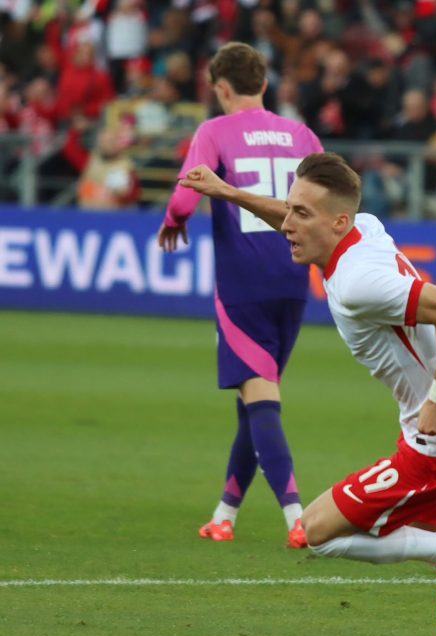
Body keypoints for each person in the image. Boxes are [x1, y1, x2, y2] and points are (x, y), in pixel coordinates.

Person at [177, 152, 436, 636]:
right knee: (434, 536)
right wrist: (230, 192)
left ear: (338, 222)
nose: (287, 223)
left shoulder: (357, 281)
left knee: (317, 532)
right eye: (291, 210)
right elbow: (297, 209)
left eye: (301, 215)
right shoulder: (361, 229)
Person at [158, 42, 323, 548]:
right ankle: (224, 514)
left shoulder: (214, 131)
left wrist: (173, 220)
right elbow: (334, 193)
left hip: (243, 283)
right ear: (265, 85)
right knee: (256, 402)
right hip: (294, 281)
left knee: (262, 402)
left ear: (221, 87)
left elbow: (189, 191)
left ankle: (299, 518)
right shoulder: (300, 133)